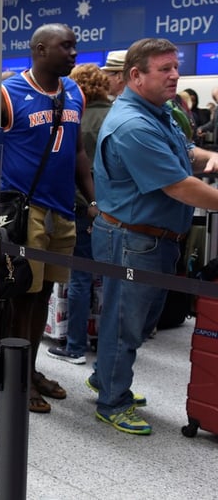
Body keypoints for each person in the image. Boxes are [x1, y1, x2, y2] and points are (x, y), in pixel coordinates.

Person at [87, 37, 218, 435]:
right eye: (165, 69)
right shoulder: (133, 125)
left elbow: (184, 150)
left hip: (154, 239)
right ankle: (112, 400)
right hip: (132, 240)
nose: (175, 75)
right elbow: (179, 186)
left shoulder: (158, 113)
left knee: (137, 322)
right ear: (135, 75)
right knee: (125, 324)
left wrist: (207, 156)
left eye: (175, 68)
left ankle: (106, 376)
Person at [0, 23, 95, 415]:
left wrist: (93, 201)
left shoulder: (74, 93)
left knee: (43, 296)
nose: (74, 54)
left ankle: (32, 369)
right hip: (25, 211)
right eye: (66, 47)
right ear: (40, 49)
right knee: (21, 295)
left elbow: (77, 153)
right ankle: (14, 376)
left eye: (75, 46)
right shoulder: (8, 94)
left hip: (61, 210)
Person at [47, 63, 111, 365]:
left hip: (83, 206)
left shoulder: (77, 120)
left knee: (80, 277)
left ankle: (74, 346)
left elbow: (74, 166)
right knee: (111, 278)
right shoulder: (117, 116)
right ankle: (105, 345)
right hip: (114, 209)